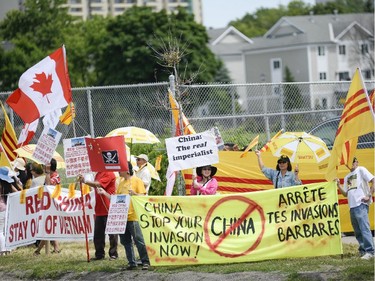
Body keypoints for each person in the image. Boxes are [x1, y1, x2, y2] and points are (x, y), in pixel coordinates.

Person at [97, 162, 150, 270]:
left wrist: (134, 194)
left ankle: (145, 261)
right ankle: (131, 262)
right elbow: (115, 199)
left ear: (126, 170)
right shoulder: (120, 182)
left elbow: (143, 197)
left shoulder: (137, 181)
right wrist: (104, 193)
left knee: (138, 240)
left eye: (120, 169)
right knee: (125, 241)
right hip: (122, 217)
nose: (118, 171)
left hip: (133, 216)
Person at [336, 157, 374, 260]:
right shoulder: (347, 177)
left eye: (353, 161)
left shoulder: (361, 170)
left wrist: (369, 195)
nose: (351, 164)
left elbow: (373, 180)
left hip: (361, 204)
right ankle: (363, 250)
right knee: (357, 230)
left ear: (357, 162)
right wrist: (339, 185)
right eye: (349, 162)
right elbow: (345, 193)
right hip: (352, 206)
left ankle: (370, 251)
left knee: (364, 228)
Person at [78, 170, 118, 261]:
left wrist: (85, 181)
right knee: (98, 234)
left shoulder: (109, 173)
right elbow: (95, 184)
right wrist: (84, 181)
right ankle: (99, 254)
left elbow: (98, 184)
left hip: (108, 207)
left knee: (112, 233)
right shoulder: (98, 174)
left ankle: (113, 253)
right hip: (99, 209)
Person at [34, 158, 61, 256]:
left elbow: (49, 185)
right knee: (49, 227)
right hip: (48, 204)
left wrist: (47, 173)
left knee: (48, 227)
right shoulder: (49, 175)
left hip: (53, 204)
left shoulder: (55, 176)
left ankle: (38, 250)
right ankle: (55, 248)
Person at [0, 167, 18, 256]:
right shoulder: (8, 185)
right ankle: (9, 248)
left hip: (0, 209)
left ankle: (3, 249)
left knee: (0, 231)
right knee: (6, 230)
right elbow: (17, 192)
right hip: (7, 208)